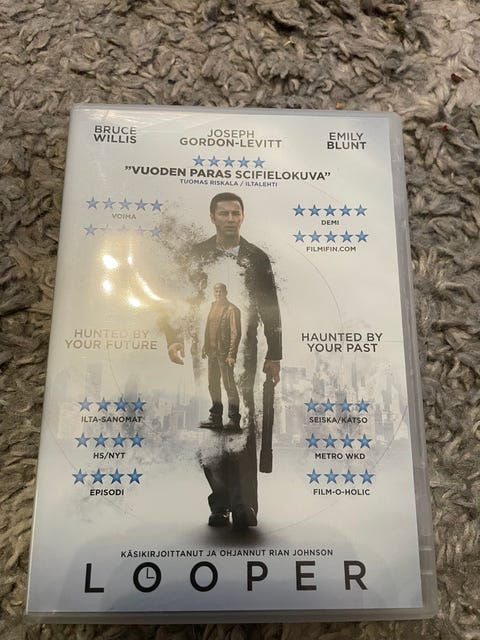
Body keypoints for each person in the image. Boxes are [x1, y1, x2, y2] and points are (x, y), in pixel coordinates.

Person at [165, 192, 282, 530]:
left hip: (245, 355)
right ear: (212, 217)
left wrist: (275, 353)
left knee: (241, 425)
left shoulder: (256, 258)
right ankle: (220, 504)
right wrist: (174, 336)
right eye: (224, 213)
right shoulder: (195, 256)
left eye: (235, 213)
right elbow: (177, 297)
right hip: (206, 355)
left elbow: (270, 307)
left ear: (243, 217)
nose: (230, 218)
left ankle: (244, 506)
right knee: (211, 426)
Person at [201, 283, 242, 430]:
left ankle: (234, 420)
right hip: (212, 352)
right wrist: (205, 346)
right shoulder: (213, 307)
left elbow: (235, 334)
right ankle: (215, 418)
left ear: (226, 292)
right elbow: (209, 328)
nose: (218, 294)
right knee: (213, 385)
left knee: (229, 386)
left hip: (224, 355)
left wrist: (231, 354)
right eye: (216, 291)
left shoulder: (232, 310)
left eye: (221, 291)